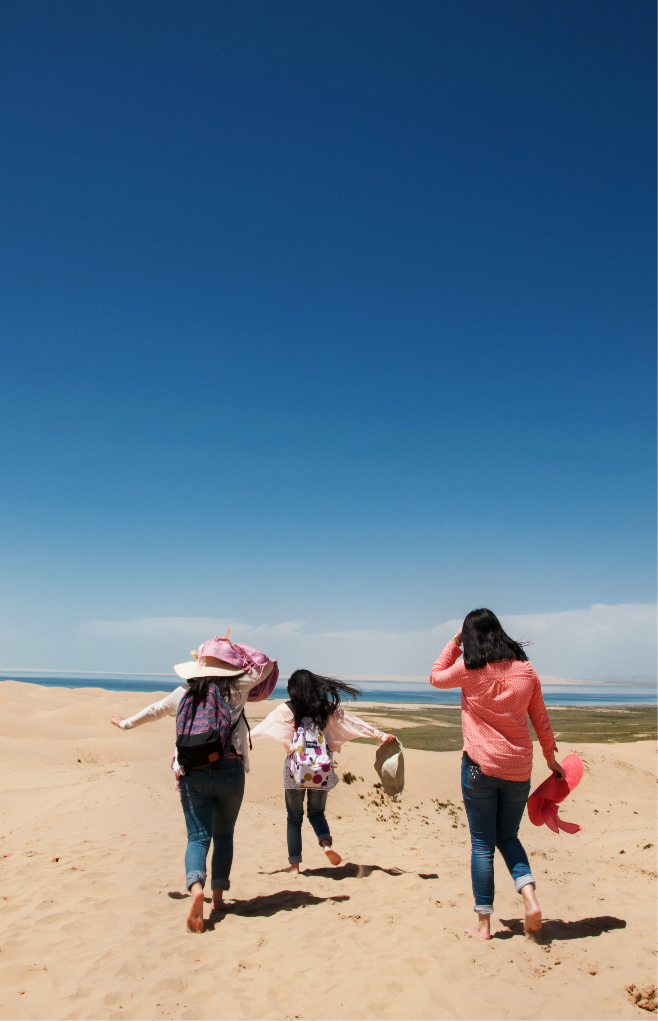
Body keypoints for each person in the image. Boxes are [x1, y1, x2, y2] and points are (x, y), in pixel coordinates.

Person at [110, 635, 277, 933]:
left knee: (198, 838)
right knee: (224, 836)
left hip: (192, 772)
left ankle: (195, 887)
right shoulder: (237, 688)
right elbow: (265, 666)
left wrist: (125, 723)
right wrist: (234, 648)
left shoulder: (182, 692)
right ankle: (218, 899)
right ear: (229, 667)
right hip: (230, 769)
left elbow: (154, 711)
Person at [429, 608, 565, 941]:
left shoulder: (468, 668)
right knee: (508, 836)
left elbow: (434, 676)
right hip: (519, 769)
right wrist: (551, 759)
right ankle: (529, 897)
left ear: (471, 636)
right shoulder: (526, 670)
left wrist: (454, 641)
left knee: (482, 845)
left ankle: (484, 926)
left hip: (479, 768)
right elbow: (541, 720)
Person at [251, 669, 396, 873]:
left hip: (296, 772)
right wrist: (379, 735)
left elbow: (260, 730)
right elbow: (354, 723)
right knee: (317, 813)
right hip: (321, 772)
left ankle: (294, 866)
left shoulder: (285, 710)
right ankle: (326, 845)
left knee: (294, 818)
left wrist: (235, 743)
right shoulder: (325, 709)